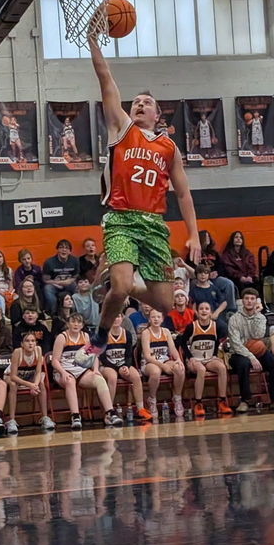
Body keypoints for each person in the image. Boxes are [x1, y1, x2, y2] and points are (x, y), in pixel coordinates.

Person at [82, 37, 200, 359]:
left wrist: (193, 235)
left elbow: (185, 193)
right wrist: (93, 42)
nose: (139, 105)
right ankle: (101, 337)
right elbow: (105, 77)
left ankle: (115, 277)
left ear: (157, 114)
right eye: (135, 101)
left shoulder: (168, 148)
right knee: (119, 288)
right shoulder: (121, 128)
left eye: (146, 102)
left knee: (165, 302)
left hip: (154, 225)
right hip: (120, 217)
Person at [52, 312, 123, 430]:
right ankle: (75, 416)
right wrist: (63, 373)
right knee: (70, 381)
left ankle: (110, 413)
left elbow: (93, 355)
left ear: (82, 325)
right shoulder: (62, 337)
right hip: (63, 371)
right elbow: (55, 361)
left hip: (81, 371)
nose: (76, 324)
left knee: (100, 380)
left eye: (79, 322)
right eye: (73, 321)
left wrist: (95, 369)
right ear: (68, 323)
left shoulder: (85, 336)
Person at [227, 289, 274, 414]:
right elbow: (236, 343)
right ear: (242, 301)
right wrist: (251, 357)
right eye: (247, 298)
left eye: (252, 299)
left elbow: (257, 335)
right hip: (238, 353)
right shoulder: (234, 319)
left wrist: (255, 315)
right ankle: (245, 400)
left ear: (256, 301)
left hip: (256, 349)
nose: (249, 301)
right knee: (243, 364)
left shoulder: (261, 318)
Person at [180, 301, 232, 418]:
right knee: (201, 370)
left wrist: (214, 355)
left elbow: (216, 342)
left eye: (207, 309)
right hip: (195, 359)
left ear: (211, 313)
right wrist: (190, 358)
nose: (204, 311)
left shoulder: (216, 326)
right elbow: (182, 343)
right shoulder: (191, 326)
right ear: (197, 312)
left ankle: (222, 401)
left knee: (222, 368)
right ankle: (198, 403)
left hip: (209, 358)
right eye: (201, 308)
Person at [98, 314, 152, 422]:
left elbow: (129, 355)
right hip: (106, 365)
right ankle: (109, 411)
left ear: (122, 318)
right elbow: (102, 357)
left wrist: (126, 366)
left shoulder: (127, 334)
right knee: (112, 377)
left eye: (118, 316)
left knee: (136, 375)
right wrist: (118, 368)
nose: (115, 319)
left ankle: (140, 409)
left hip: (122, 364)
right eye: (113, 317)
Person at [6, 332, 55, 435]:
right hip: (13, 377)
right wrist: (30, 385)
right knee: (13, 385)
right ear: (22, 344)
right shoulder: (17, 352)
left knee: (41, 384)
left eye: (33, 341)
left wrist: (35, 385)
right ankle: (11, 420)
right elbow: (13, 376)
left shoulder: (38, 350)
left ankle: (45, 417)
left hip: (30, 376)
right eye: (27, 341)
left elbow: (38, 372)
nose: (30, 343)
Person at [140, 308, 185, 419]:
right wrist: (162, 366)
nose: (156, 319)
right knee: (156, 372)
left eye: (158, 317)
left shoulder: (166, 331)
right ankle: (152, 399)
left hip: (164, 359)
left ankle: (177, 397)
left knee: (179, 368)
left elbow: (173, 349)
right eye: (153, 317)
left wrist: (178, 359)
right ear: (149, 319)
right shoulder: (146, 333)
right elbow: (147, 356)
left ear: (162, 319)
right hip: (149, 362)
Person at [42, 239, 79, 315]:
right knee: (47, 289)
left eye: (67, 248)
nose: (64, 250)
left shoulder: (75, 261)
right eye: (61, 247)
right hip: (55, 285)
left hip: (69, 284)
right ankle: (53, 313)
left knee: (76, 287)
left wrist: (70, 281)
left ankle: (75, 312)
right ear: (57, 249)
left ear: (70, 251)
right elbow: (45, 280)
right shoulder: (49, 262)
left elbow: (77, 276)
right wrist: (57, 283)